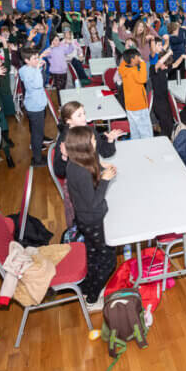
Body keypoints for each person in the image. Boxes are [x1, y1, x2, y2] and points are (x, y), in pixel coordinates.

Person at [64, 125, 118, 312]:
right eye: (93, 140)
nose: (96, 141)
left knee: (94, 256)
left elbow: (92, 160)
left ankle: (87, 288)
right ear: (84, 147)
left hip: (86, 220)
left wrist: (101, 166)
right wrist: (105, 179)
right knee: (109, 260)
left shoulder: (77, 161)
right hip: (92, 220)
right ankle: (92, 298)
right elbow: (93, 202)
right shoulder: (81, 172)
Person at [18, 47, 51, 166]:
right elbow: (38, 84)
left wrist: (39, 63)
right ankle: (37, 160)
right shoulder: (28, 71)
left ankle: (37, 155)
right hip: (35, 107)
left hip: (36, 104)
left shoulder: (27, 68)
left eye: (37, 57)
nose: (37, 60)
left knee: (37, 133)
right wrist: (38, 68)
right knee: (37, 135)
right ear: (27, 60)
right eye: (34, 58)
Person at [118, 48, 152, 139]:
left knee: (134, 129)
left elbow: (124, 62)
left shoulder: (123, 69)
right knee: (145, 130)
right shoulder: (133, 71)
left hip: (129, 105)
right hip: (139, 105)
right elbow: (142, 79)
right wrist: (143, 64)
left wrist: (129, 55)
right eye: (138, 57)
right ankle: (149, 146)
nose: (140, 58)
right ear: (132, 59)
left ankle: (136, 145)